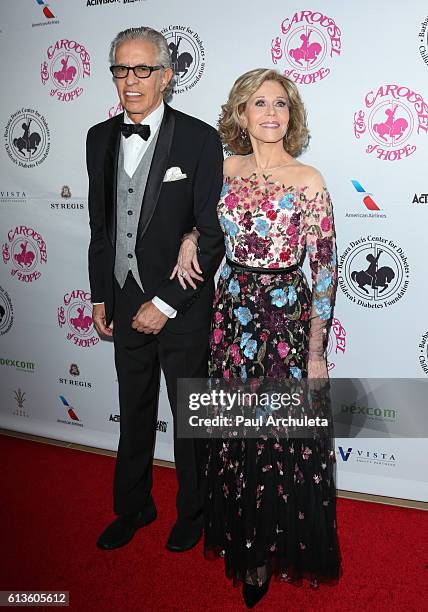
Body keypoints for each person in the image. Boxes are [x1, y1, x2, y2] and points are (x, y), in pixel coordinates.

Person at [173, 68, 341, 607]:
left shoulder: (308, 179)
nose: (272, 114)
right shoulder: (222, 170)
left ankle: (272, 547)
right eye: (260, 104)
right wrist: (189, 237)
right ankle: (247, 548)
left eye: (282, 105)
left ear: (291, 116)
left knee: (281, 439)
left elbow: (326, 270)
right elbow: (201, 219)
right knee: (237, 436)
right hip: (234, 313)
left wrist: (315, 352)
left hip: (286, 320)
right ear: (241, 114)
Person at [87, 27, 224, 553]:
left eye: (143, 69)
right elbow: (101, 226)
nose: (131, 81)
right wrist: (102, 294)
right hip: (122, 298)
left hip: (179, 306)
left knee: (190, 418)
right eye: (122, 69)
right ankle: (134, 506)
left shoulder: (198, 138)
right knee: (133, 409)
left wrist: (164, 303)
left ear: (167, 76)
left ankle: (194, 511)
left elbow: (210, 233)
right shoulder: (98, 138)